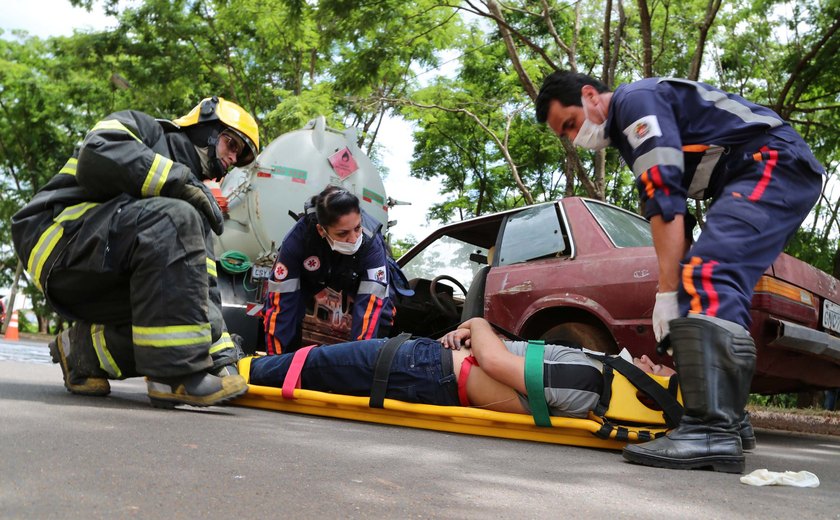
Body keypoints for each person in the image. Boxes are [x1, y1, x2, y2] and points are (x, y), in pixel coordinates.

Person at [535, 71, 824, 473]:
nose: (573, 137)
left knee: (708, 275)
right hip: (762, 170)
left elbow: (664, 196)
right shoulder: (630, 131)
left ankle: (710, 430)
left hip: (771, 162)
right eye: (565, 134)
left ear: (589, 95)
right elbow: (675, 222)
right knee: (709, 282)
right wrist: (674, 293)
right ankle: (728, 418)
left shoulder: (635, 103)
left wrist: (668, 294)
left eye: (570, 123)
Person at [12, 96, 260, 408]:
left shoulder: (192, 202)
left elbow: (200, 290)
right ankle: (175, 378)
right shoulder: (147, 130)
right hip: (58, 240)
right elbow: (97, 153)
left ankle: (81, 352)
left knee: (175, 320)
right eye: (231, 144)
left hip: (103, 268)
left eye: (239, 157)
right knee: (175, 216)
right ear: (206, 126)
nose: (231, 159)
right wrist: (177, 181)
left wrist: (222, 357)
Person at [250, 317, 676, 418]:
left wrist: (477, 324)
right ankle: (241, 365)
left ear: (654, 391)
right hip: (429, 366)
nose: (655, 361)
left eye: (664, 371)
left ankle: (233, 371)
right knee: (312, 365)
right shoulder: (597, 375)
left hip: (422, 370)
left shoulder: (590, 381)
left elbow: (496, 363)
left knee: (311, 364)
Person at [263, 185, 398, 354]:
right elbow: (280, 306)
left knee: (382, 317)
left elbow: (370, 312)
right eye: (343, 234)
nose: (353, 239)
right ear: (321, 230)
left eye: (357, 228)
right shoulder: (298, 240)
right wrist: (274, 360)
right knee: (289, 314)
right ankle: (286, 362)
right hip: (312, 276)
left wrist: (359, 360)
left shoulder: (371, 244)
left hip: (356, 278)